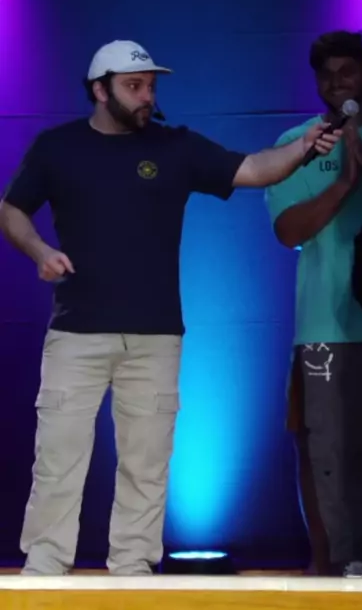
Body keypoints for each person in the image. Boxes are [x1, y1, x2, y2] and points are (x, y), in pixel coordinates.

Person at [0, 39, 340, 578]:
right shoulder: (58, 147)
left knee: (148, 461)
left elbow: (253, 169)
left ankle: (133, 569)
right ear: (100, 90)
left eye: (151, 87)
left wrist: (302, 147)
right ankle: (45, 569)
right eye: (134, 86)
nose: (147, 96)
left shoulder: (173, 146)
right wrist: (40, 251)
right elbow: (12, 209)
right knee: (58, 456)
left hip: (156, 335)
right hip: (76, 332)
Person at [265, 31, 362, 577]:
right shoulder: (297, 143)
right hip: (326, 326)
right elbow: (288, 230)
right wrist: (343, 183)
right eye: (327, 75)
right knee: (326, 454)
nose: (338, 83)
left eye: (348, 71)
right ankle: (336, 566)